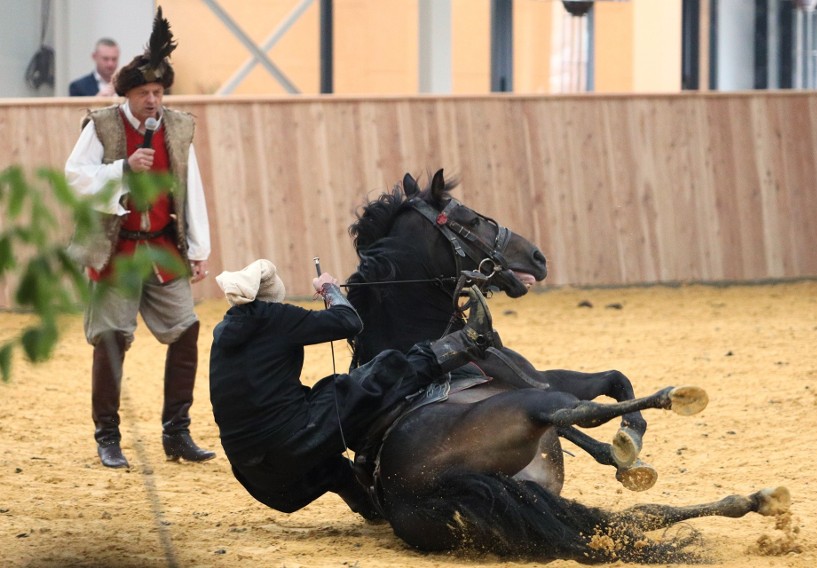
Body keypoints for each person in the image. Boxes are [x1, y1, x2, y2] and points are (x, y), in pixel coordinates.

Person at [209, 259, 501, 520]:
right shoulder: (275, 317)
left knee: (335, 468)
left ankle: (373, 509)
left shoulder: (223, 332)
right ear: (272, 295)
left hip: (258, 477)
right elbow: (350, 322)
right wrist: (331, 291)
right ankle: (467, 341)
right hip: (289, 441)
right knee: (380, 372)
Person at [65, 8, 215, 469]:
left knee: (187, 332)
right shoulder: (103, 126)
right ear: (127, 93)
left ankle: (177, 433)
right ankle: (108, 437)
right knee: (111, 339)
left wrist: (197, 249)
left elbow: (191, 190)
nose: (153, 100)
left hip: (163, 246)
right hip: (118, 247)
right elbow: (74, 178)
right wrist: (122, 170)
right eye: (144, 93)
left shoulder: (178, 127)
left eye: (158, 92)